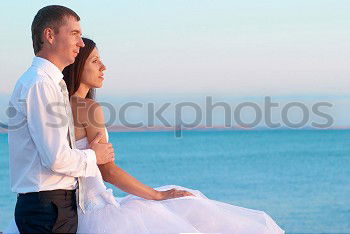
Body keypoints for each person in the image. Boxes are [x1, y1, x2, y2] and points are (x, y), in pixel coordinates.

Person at [64, 37, 286, 233]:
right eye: (94, 61)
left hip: (75, 214)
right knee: (191, 206)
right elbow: (108, 171)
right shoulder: (89, 107)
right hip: (98, 211)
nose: (103, 67)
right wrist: (158, 195)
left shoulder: (60, 106)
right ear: (77, 65)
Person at [6, 6, 115, 233]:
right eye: (74, 33)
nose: (81, 43)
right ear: (50, 35)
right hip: (48, 208)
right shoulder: (41, 84)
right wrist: (95, 156)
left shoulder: (51, 83)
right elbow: (56, 158)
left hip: (51, 206)